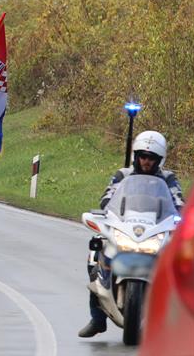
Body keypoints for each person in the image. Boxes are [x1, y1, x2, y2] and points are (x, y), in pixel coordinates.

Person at [78, 130, 184, 338]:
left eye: (151, 158)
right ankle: (97, 320)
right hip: (124, 227)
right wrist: (106, 213)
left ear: (159, 160)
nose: (146, 161)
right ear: (136, 155)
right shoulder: (123, 175)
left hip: (155, 229)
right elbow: (107, 199)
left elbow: (178, 203)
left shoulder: (169, 178)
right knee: (95, 257)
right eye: (143, 156)